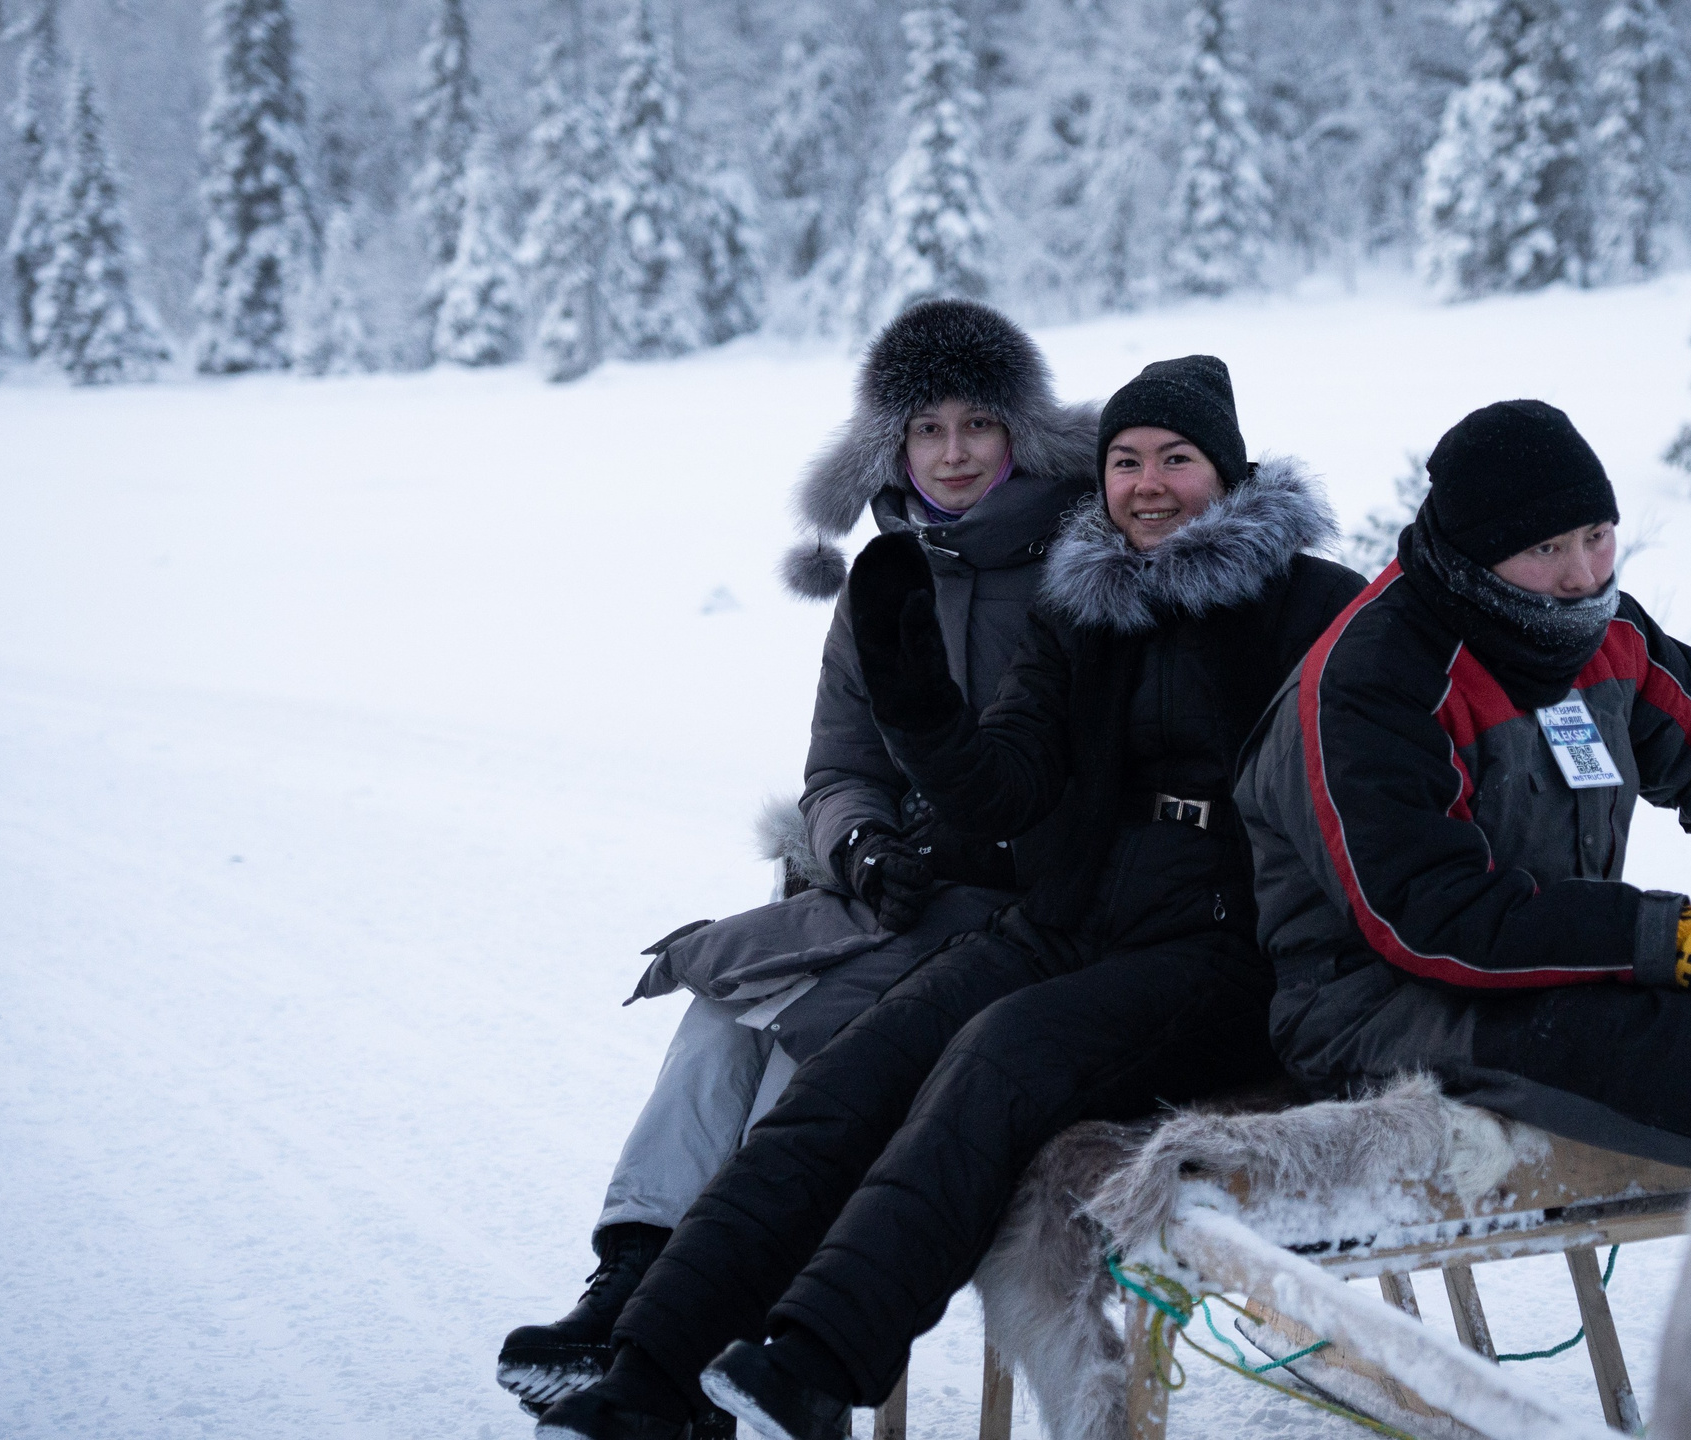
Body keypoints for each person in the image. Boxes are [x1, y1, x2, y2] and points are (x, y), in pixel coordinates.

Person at [534, 356, 1366, 1440]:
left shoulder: (1314, 607)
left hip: (1223, 950)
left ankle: (818, 1358)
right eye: (1124, 462)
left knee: (996, 1057)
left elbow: (1362, 800)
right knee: (856, 1072)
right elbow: (1002, 784)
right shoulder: (1086, 606)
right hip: (1071, 920)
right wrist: (918, 701)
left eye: (1176, 459)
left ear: (1231, 472)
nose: (1147, 484)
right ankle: (648, 1372)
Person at [497, 299, 1098, 1414]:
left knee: (803, 1045)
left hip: (1017, 908)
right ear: (893, 446)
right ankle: (632, 1273)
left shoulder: (1078, 562)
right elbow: (839, 765)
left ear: (1020, 432)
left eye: (977, 423)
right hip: (894, 891)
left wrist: (965, 838)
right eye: (927, 430)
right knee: (723, 1001)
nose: (955, 452)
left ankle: (718, 1321)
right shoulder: (884, 573)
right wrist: (858, 843)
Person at [1234, 399, 1691, 1174]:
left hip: (1554, 973)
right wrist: (1664, 939)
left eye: (1596, 536)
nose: (1582, 575)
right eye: (1545, 547)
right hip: (1379, 1010)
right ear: (1475, 554)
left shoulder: (1603, 633)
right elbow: (1426, 915)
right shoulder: (1376, 680)